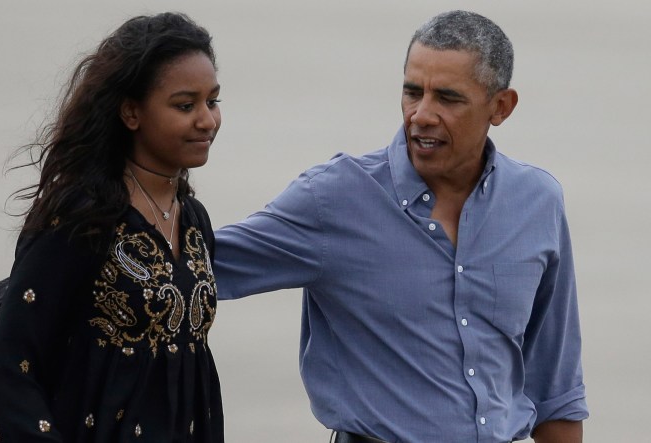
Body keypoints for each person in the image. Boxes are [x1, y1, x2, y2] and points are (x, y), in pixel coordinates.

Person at [214, 10, 587, 443]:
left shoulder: (537, 202)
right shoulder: (334, 197)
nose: (421, 115)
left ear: (500, 106)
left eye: (448, 98)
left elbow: (556, 391)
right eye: (413, 92)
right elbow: (193, 266)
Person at [0, 12, 224, 442]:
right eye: (185, 106)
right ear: (131, 112)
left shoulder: (194, 220)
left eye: (213, 101)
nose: (207, 120)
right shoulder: (82, 216)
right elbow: (14, 364)